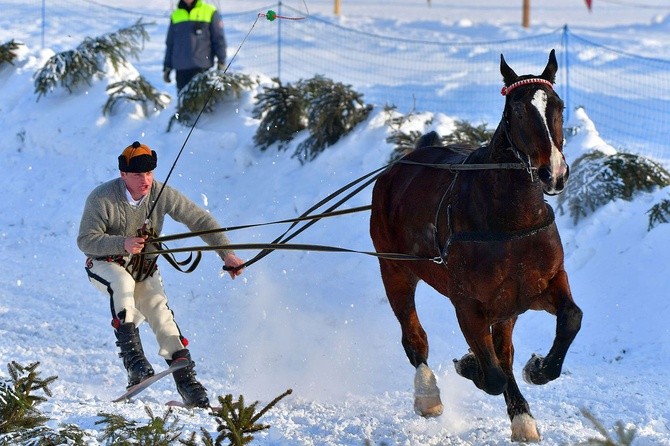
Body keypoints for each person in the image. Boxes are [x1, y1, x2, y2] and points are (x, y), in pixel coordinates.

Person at [77, 141, 244, 408]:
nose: (145, 180)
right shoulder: (102, 198)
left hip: (143, 269)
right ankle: (135, 363)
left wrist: (227, 254)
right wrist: (122, 243)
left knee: (161, 313)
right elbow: (85, 240)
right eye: (137, 175)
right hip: (105, 265)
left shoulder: (161, 193)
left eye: (149, 174)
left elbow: (199, 220)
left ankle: (187, 383)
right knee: (122, 284)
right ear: (123, 175)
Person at [163, 0, 227, 91]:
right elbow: (170, 44)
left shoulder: (210, 11)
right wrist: (167, 66)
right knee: (184, 103)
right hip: (181, 70)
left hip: (202, 68)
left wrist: (221, 61)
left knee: (203, 104)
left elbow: (218, 39)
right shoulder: (176, 14)